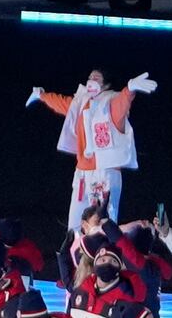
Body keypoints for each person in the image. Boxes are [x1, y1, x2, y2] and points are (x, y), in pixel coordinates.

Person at [30, 68, 154, 237]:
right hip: (82, 174)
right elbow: (63, 103)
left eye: (96, 77)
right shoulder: (81, 102)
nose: (91, 79)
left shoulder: (111, 101)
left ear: (107, 83)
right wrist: (41, 95)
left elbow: (121, 104)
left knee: (102, 226)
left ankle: (102, 260)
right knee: (75, 227)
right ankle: (74, 260)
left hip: (104, 173)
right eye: (89, 77)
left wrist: (130, 89)